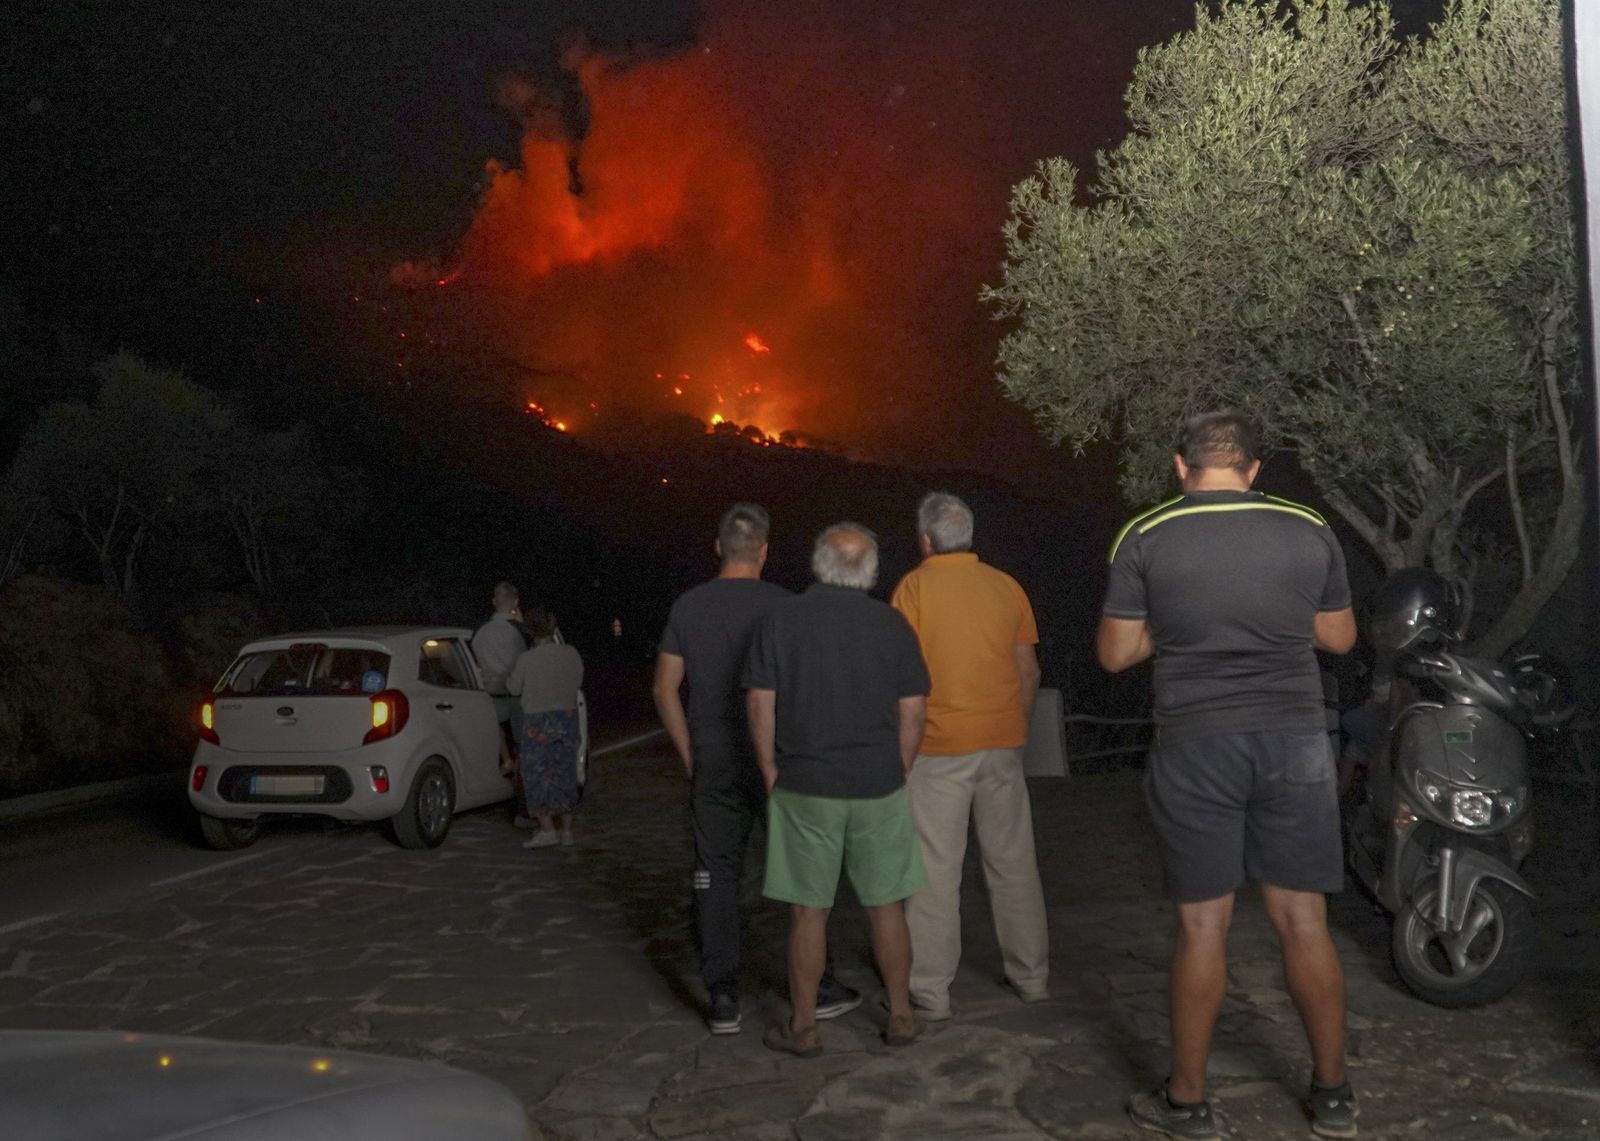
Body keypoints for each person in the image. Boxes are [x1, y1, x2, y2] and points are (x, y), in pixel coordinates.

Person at [1097, 411, 1358, 1140]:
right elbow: (1338, 635)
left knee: (1202, 924)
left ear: (1182, 466)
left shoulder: (1144, 535)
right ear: (1252, 468)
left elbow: (1115, 653)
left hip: (1196, 744)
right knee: (1303, 918)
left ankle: (1188, 1103)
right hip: (1295, 740)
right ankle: (1333, 1095)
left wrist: (1181, 625)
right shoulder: (1307, 527)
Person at [653, 504, 861, 1036]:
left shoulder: (689, 607)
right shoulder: (787, 607)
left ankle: (723, 996)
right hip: (781, 761)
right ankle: (822, 986)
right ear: (765, 551)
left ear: (718, 547)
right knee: (799, 871)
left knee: (716, 875)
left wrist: (688, 753)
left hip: (715, 761)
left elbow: (664, 689)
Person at [745, 523, 931, 1056]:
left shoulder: (782, 619)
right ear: (868, 571)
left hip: (805, 784)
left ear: (817, 563)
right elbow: (914, 708)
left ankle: (803, 1027)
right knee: (887, 906)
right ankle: (900, 1015)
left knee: (808, 912)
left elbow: (760, 701)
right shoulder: (892, 625)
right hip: (878, 783)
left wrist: (769, 769)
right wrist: (899, 764)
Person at [890, 491, 1048, 1020]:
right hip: (1001, 743)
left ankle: (931, 992)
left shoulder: (912, 588)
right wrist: (1014, 728)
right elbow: (1028, 671)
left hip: (937, 749)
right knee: (1014, 864)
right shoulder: (1007, 587)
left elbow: (903, 680)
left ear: (926, 539)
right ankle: (1031, 978)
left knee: (935, 870)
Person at [506, 607, 585, 850]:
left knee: (537, 776)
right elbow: (578, 680)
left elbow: (513, 687)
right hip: (566, 718)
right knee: (565, 773)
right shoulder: (571, 653)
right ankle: (567, 831)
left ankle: (547, 829)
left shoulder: (527, 659)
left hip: (537, 722)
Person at [473, 581, 532, 820]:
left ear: (494, 601)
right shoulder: (519, 631)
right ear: (516, 603)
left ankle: (505, 760)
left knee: (495, 728)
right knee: (524, 748)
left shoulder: (481, 632)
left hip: (490, 693)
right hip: (517, 694)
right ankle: (524, 806)